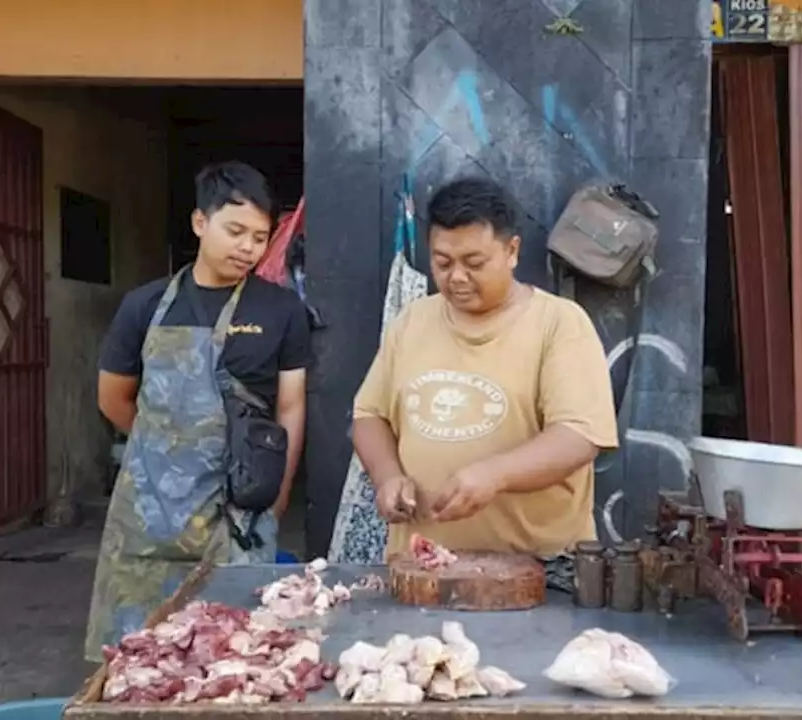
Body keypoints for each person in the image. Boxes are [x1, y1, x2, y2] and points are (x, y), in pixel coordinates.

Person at [84, 161, 311, 661]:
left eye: (260, 236)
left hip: (239, 510)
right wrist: (164, 452)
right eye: (236, 231)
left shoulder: (281, 311)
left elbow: (290, 407)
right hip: (149, 517)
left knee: (237, 657)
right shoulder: (144, 306)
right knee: (139, 658)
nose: (248, 247)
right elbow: (112, 398)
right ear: (199, 223)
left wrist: (277, 497)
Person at [351, 177, 619, 559]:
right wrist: (387, 477)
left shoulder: (559, 323)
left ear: (512, 252)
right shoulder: (413, 321)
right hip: (420, 568)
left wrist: (496, 475)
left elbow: (579, 436)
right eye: (442, 262)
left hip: (537, 571)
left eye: (474, 263)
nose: (456, 276)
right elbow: (370, 415)